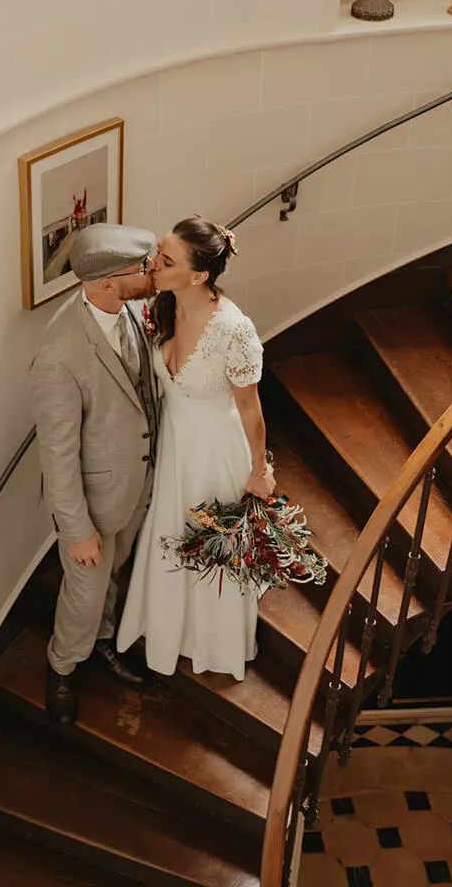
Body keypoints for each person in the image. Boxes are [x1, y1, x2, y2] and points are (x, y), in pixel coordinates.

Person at [117, 216, 274, 682]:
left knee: (207, 546)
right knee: (169, 535)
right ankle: (168, 628)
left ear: (199, 275)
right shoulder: (164, 306)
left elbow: (251, 409)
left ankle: (214, 639)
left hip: (214, 452)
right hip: (175, 447)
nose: (153, 265)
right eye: (157, 254)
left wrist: (259, 470)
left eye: (166, 260)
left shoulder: (233, 329)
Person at [29, 223, 160, 725]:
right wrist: (78, 531)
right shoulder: (60, 358)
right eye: (141, 270)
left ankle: (103, 640)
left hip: (134, 487)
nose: (149, 275)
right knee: (82, 596)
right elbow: (57, 456)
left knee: (114, 578)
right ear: (108, 282)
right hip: (93, 506)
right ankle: (62, 665)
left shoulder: (125, 307)